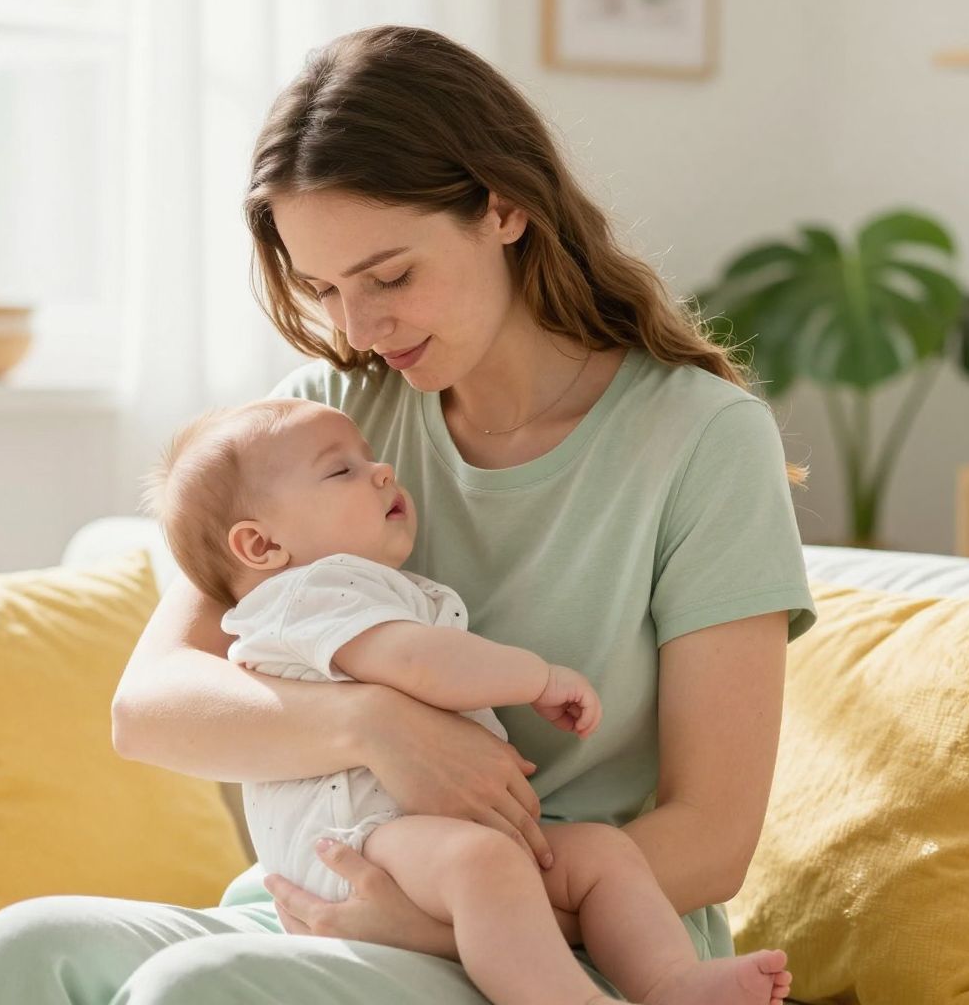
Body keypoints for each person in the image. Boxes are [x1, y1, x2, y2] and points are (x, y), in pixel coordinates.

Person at [0, 22, 816, 1005]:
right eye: (326, 289)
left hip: (565, 944)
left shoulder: (701, 440)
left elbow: (714, 835)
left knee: (199, 988)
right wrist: (375, 722)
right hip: (324, 905)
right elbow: (151, 707)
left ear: (505, 209)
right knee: (24, 946)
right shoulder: (332, 418)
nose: (359, 327)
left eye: (390, 276)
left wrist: (443, 913)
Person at [137, 395, 793, 1005]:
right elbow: (419, 663)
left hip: (434, 847)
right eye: (341, 471)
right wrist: (535, 677)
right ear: (261, 544)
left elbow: (716, 834)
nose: (381, 468)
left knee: (602, 854)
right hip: (354, 849)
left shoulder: (709, 432)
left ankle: (670, 981)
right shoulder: (302, 596)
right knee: (484, 864)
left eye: (367, 456)